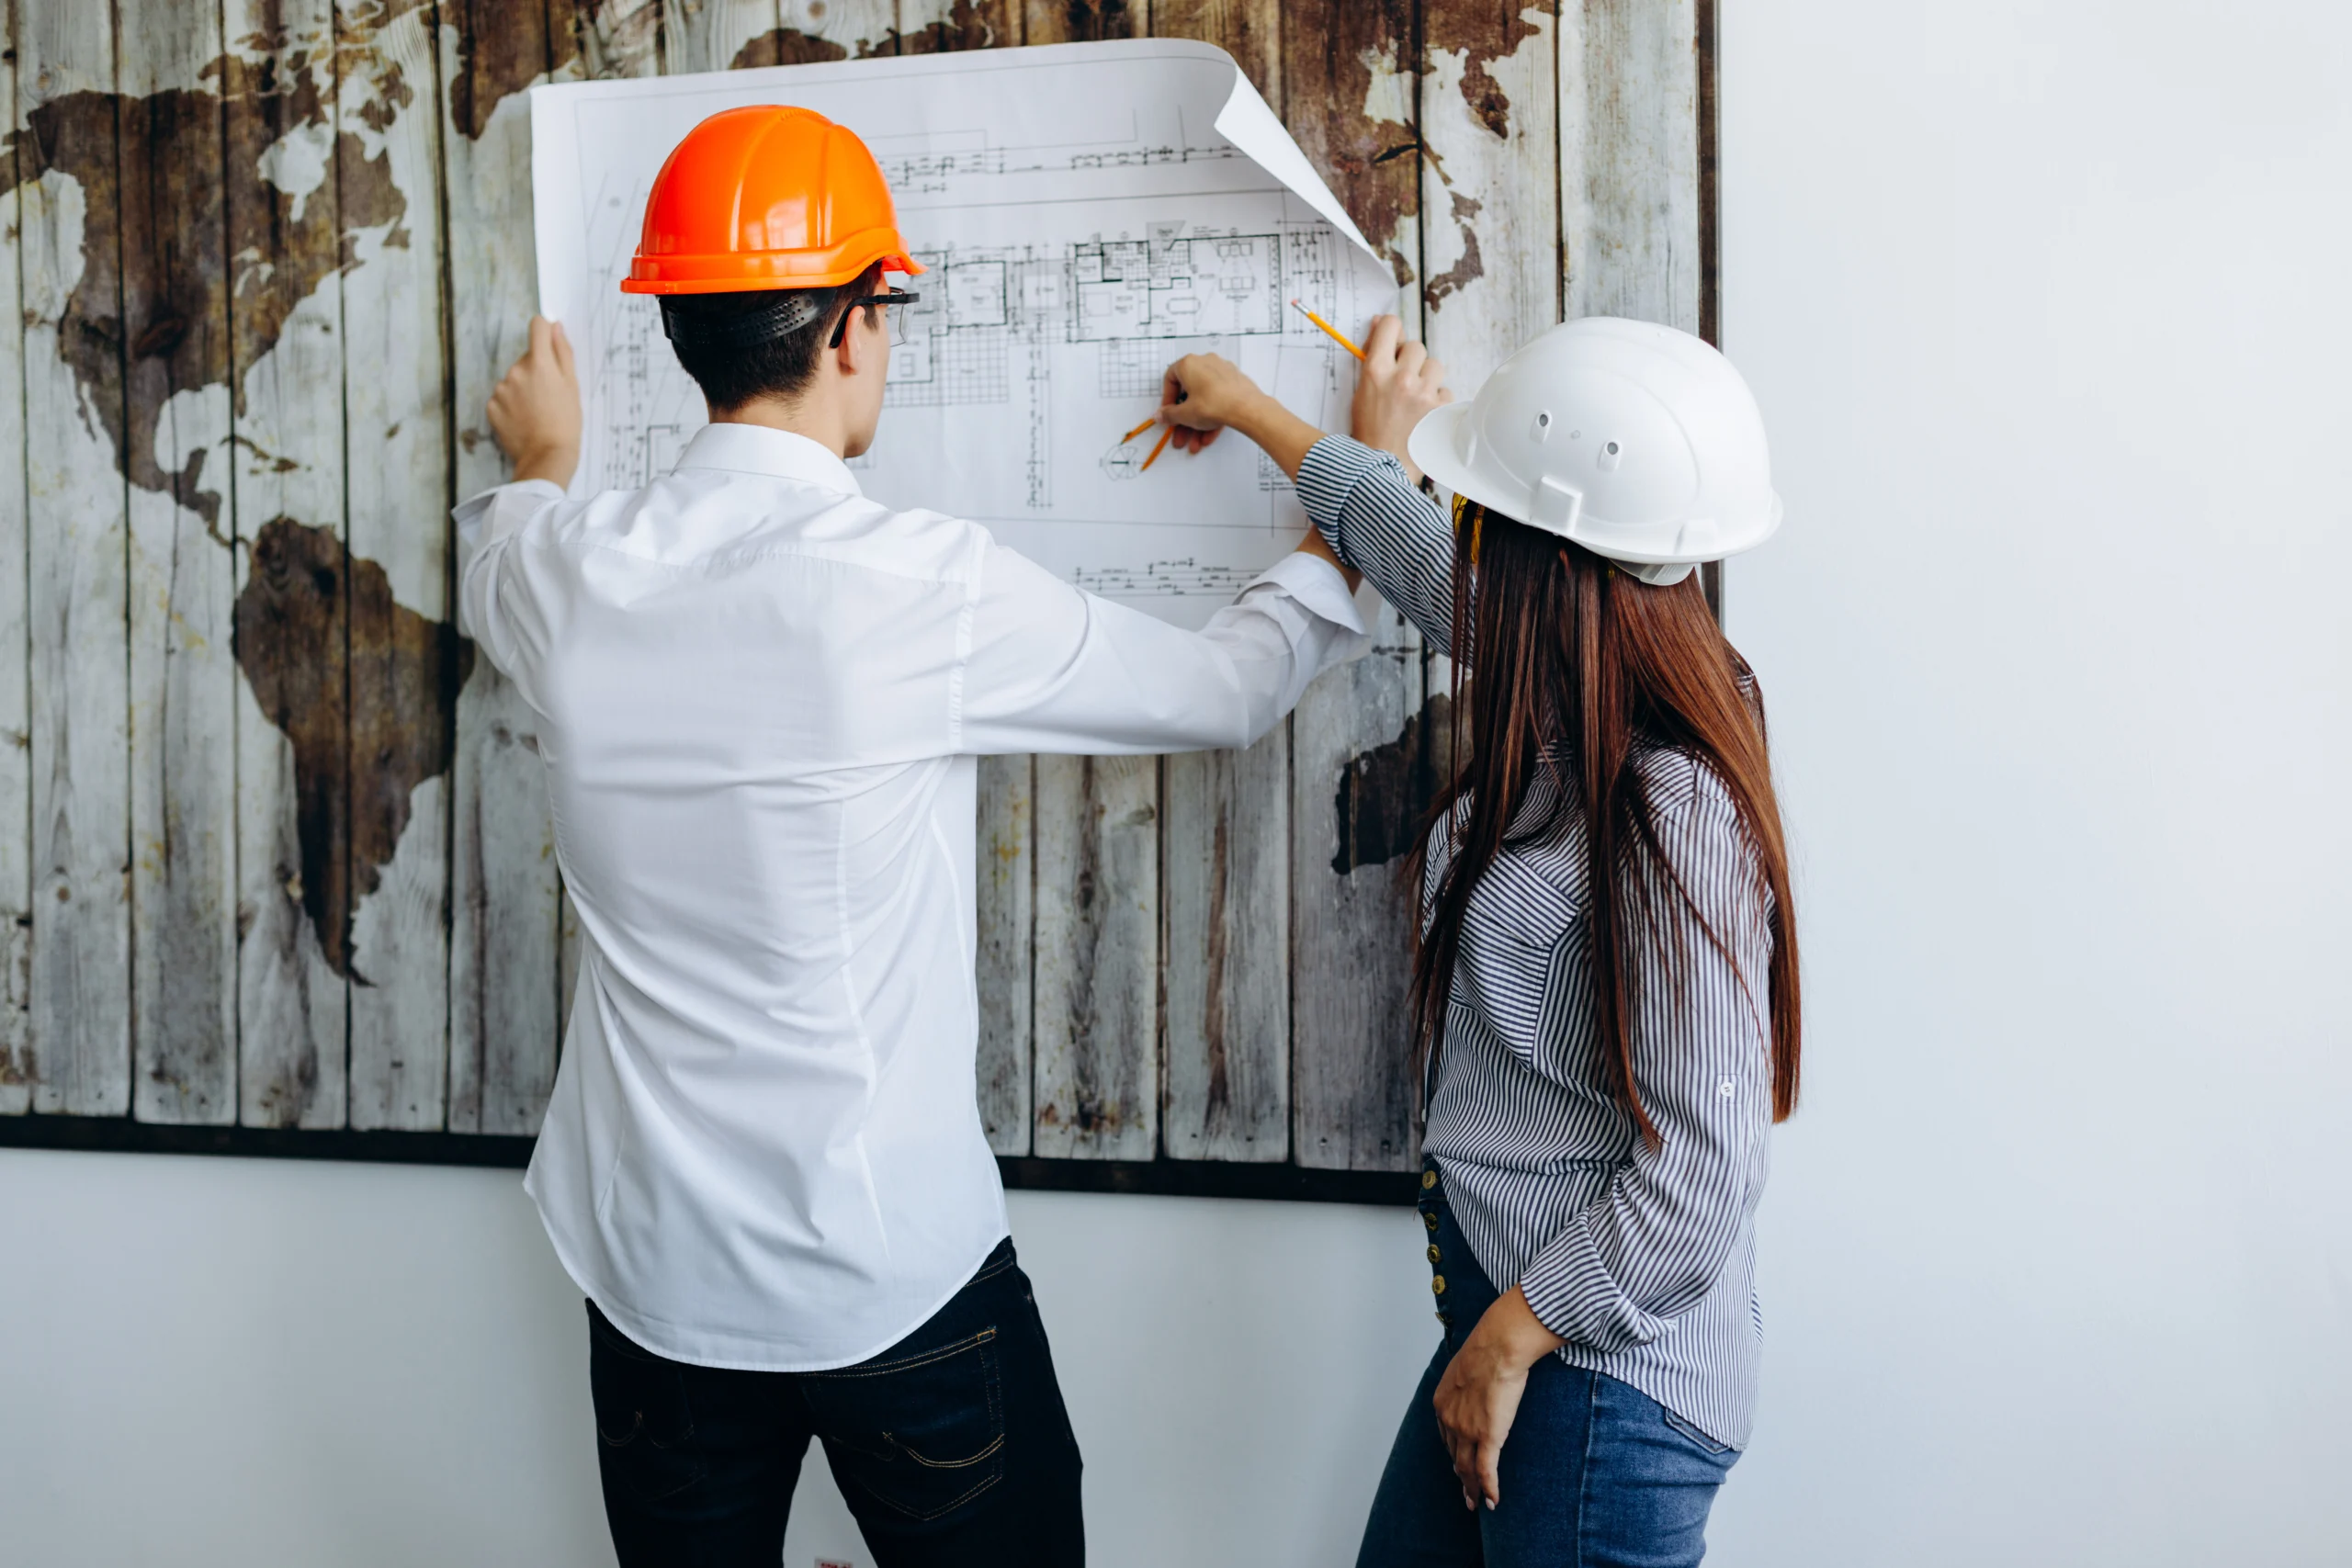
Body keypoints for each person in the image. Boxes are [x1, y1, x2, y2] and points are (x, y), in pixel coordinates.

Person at [458, 106, 1365, 1568]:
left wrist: (543, 457)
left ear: (681, 334)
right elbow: (1226, 689)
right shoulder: (917, 585)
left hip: (652, 1286)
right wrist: (1344, 515)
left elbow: (503, 535)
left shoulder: (559, 576)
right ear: (853, 332)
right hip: (891, 1280)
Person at [1157, 313, 1801, 1567]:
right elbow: (1403, 544)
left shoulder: (1670, 806)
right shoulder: (1578, 656)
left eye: (1483, 519)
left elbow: (1704, 1180)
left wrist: (1507, 1339)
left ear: (1547, 560)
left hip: (1591, 1378)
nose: (1463, 537)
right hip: (1525, 1340)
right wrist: (1253, 410)